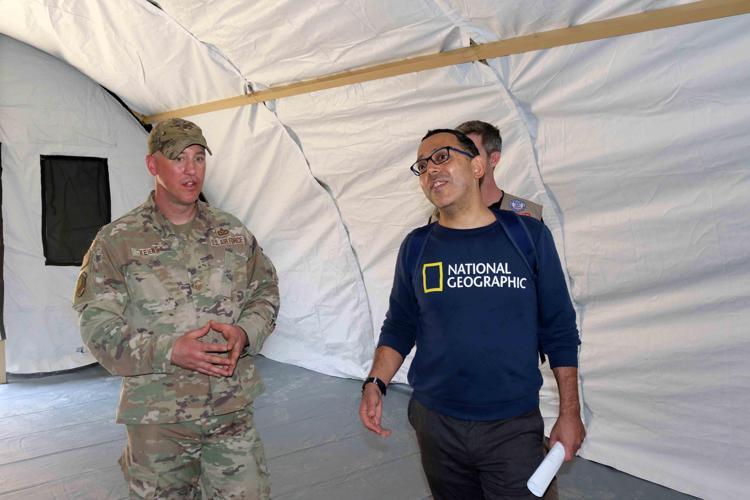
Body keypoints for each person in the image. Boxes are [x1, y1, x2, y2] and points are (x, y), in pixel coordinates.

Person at [359, 129, 584, 499]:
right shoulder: (417, 246)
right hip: (436, 423)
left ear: (478, 166)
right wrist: (375, 382)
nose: (430, 170)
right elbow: (400, 324)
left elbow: (559, 328)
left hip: (511, 426)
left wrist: (570, 413)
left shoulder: (527, 237)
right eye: (422, 165)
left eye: (442, 156)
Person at [73, 118, 280, 499]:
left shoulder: (232, 233)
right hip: (159, 420)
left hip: (230, 410)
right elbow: (97, 327)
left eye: (199, 158)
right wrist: (170, 350)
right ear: (153, 165)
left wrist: (246, 332)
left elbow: (265, 291)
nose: (191, 170)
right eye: (178, 158)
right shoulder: (118, 241)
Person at [430, 120, 542, 223]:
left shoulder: (528, 216)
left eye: (471, 152)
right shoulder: (441, 217)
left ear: (493, 159)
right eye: (457, 154)